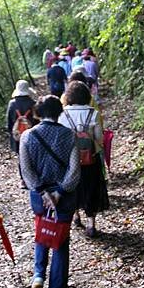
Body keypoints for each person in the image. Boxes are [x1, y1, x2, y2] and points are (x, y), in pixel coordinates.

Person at [19, 95, 80, 288]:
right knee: (61, 238)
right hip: (65, 195)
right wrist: (59, 192)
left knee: (42, 229)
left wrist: (43, 192)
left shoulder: (27, 136)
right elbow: (74, 171)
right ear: (59, 112)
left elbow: (26, 171)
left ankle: (38, 275)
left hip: (39, 195)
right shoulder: (70, 135)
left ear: (38, 112)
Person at [59, 81, 109, 237]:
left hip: (70, 161)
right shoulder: (93, 113)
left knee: (73, 187)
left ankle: (76, 216)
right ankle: (91, 224)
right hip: (90, 160)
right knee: (91, 189)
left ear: (69, 96)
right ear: (87, 96)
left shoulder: (63, 114)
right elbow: (99, 140)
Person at [6, 80, 37, 186]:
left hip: (18, 135)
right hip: (32, 134)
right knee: (33, 155)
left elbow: (9, 122)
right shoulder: (33, 103)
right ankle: (34, 177)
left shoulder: (12, 104)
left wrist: (12, 133)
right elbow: (37, 120)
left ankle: (23, 180)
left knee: (21, 156)